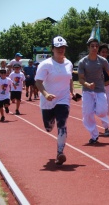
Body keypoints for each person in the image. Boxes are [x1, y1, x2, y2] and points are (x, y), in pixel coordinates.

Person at [35, 36, 75, 165]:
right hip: (47, 101)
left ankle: (60, 153)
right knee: (48, 127)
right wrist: (46, 94)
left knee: (62, 123)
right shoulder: (45, 64)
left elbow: (69, 79)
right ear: (52, 49)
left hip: (63, 99)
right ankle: (49, 123)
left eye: (63, 47)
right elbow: (38, 82)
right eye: (58, 47)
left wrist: (72, 92)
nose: (60, 49)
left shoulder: (69, 63)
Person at [78, 37, 109, 143]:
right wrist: (87, 84)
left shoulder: (103, 61)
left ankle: (95, 108)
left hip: (100, 90)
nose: (94, 48)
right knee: (87, 114)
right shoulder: (83, 62)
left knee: (102, 111)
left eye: (96, 46)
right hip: (87, 90)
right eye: (92, 46)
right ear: (88, 48)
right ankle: (94, 135)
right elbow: (80, 78)